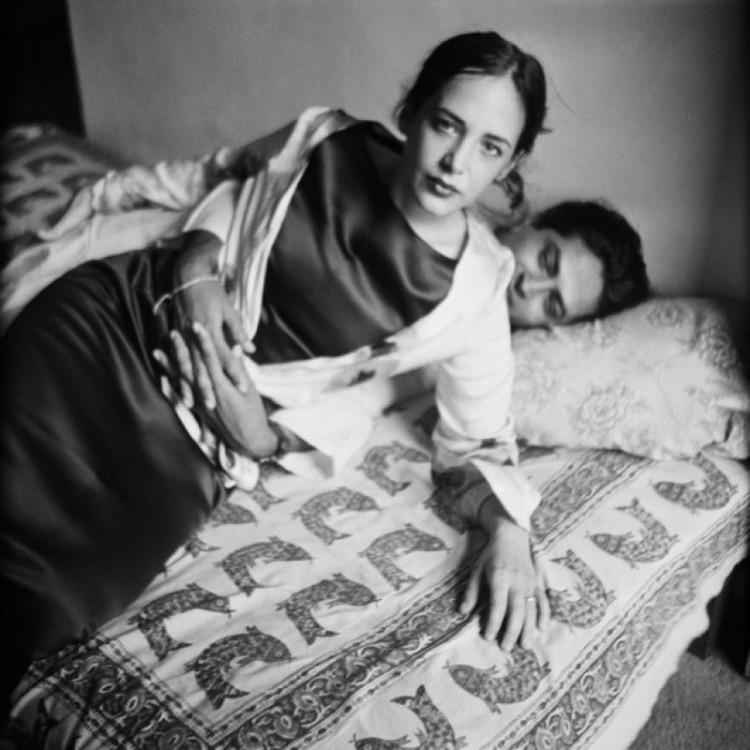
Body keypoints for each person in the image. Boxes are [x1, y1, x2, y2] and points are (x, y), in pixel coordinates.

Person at [0, 30, 648, 714]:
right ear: (413, 110)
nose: (456, 163)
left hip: (196, 439)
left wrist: (510, 535)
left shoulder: (478, 290)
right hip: (116, 324)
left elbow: (476, 442)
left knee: (52, 594)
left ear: (511, 163)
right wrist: (192, 260)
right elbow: (225, 178)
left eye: (490, 148)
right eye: (446, 124)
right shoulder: (325, 137)